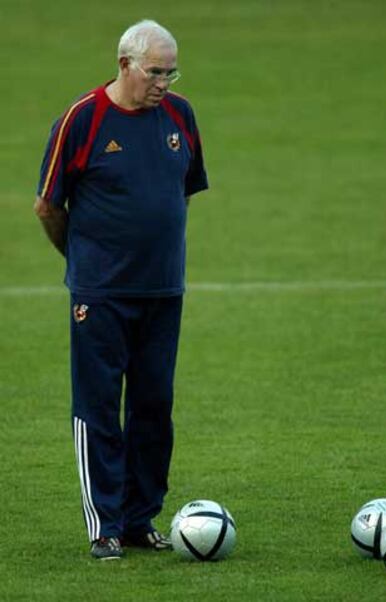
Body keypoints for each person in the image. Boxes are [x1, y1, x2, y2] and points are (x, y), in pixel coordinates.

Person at [34, 19, 208, 560]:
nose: (164, 82)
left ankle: (139, 518)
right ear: (124, 64)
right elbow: (47, 205)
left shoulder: (180, 115)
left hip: (162, 292)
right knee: (99, 407)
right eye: (156, 71)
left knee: (155, 406)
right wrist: (84, 262)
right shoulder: (82, 120)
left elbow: (180, 192)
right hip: (100, 295)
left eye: (171, 71)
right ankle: (104, 524)